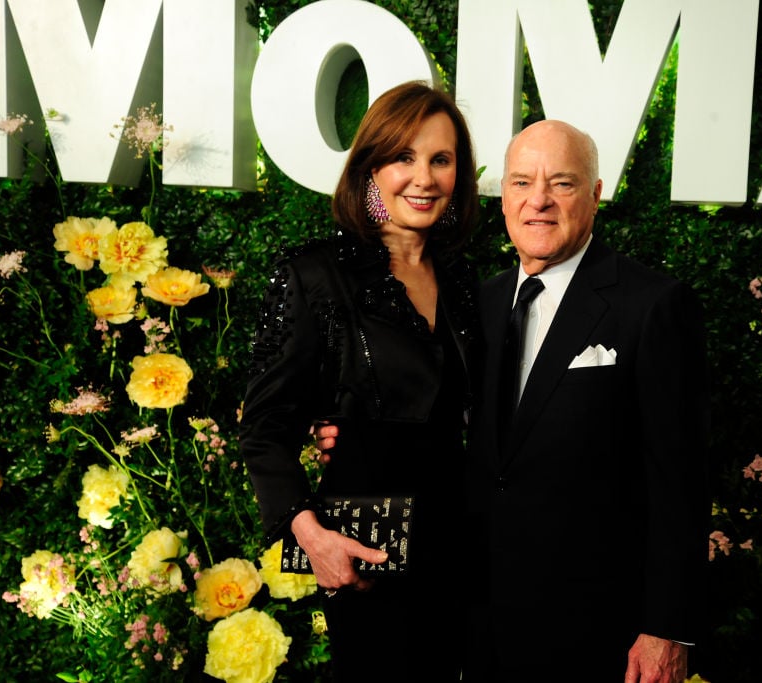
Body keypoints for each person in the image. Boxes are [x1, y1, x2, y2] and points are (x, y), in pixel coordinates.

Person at [239, 80, 479, 683]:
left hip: (466, 548)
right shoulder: (316, 275)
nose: (423, 178)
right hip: (370, 553)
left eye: (440, 159)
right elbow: (265, 427)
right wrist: (309, 535)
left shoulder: (468, 283)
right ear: (371, 166)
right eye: (404, 156)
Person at [461, 120, 711, 683]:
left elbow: (681, 482)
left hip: (600, 633)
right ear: (504, 196)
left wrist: (667, 629)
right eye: (522, 182)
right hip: (483, 626)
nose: (539, 201)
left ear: (595, 195)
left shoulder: (653, 304)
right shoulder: (481, 302)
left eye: (563, 184)